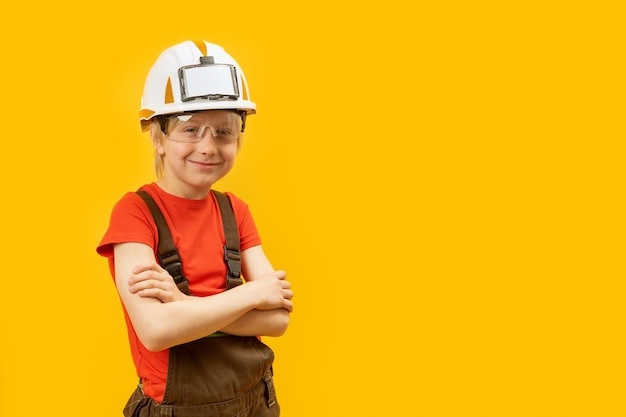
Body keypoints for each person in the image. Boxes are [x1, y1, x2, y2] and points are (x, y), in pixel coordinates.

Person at [97, 40, 294, 417]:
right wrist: (252, 294)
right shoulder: (135, 213)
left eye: (224, 132)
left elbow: (278, 320)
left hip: (256, 402)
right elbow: (155, 330)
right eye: (191, 130)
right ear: (157, 136)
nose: (208, 147)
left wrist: (184, 305)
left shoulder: (235, 210)